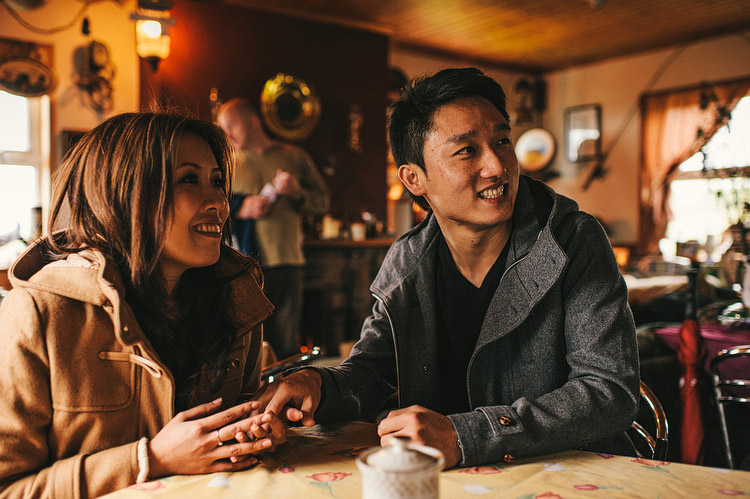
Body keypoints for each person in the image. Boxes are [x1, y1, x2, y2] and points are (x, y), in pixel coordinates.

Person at [254, 68, 640, 468]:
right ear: (414, 178)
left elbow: (608, 391)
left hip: (569, 475)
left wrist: (466, 435)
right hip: (454, 483)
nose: (497, 166)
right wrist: (317, 383)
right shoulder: (407, 262)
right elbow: (371, 374)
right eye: (467, 151)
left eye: (502, 141)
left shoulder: (571, 241)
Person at [0, 111, 287, 497]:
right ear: (124, 194)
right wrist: (149, 460)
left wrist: (258, 426)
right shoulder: (38, 314)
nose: (219, 201)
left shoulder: (235, 298)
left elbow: (238, 424)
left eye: (217, 182)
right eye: (189, 179)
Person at [217, 99, 330, 359]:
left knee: (286, 342)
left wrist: (297, 192)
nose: (228, 134)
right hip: (240, 264)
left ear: (252, 121)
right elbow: (211, 204)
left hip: (287, 261)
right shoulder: (226, 163)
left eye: (231, 125)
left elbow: (323, 201)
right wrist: (241, 207)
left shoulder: (294, 156)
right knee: (248, 344)